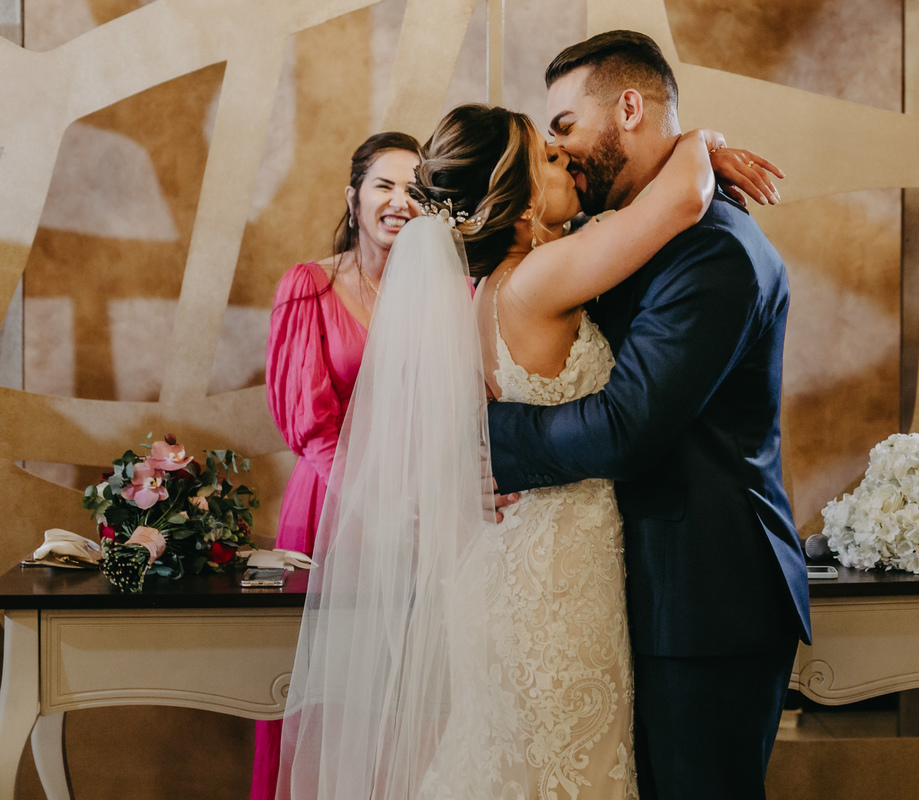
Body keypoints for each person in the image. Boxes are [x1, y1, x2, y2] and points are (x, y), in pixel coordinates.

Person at [278, 99, 781, 798]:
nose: (566, 158)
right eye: (548, 158)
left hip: (505, 569)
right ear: (516, 201)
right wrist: (700, 135)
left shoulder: (486, 291)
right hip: (552, 582)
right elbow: (682, 201)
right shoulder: (542, 280)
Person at [486, 31, 813, 800]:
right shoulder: (622, 236)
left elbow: (626, 429)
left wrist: (485, 441)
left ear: (628, 108)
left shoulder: (715, 251)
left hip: (703, 597)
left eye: (565, 126)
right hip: (633, 590)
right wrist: (699, 144)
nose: (560, 153)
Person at [256, 131, 422, 800]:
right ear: (354, 197)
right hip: (333, 508)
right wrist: (383, 503)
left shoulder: (452, 294)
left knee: (405, 700)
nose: (400, 202)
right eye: (385, 185)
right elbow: (310, 426)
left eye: (417, 190)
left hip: (416, 512)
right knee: (321, 699)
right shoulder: (310, 286)